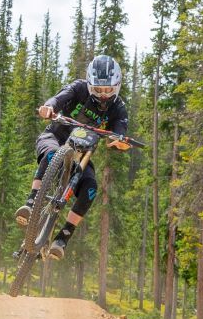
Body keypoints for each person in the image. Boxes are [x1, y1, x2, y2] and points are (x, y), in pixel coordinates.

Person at [17, 53, 130, 261]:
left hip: (83, 153)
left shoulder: (118, 107)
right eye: (98, 89)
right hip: (55, 137)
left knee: (90, 188)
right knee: (51, 155)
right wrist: (49, 108)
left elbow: (120, 131)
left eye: (108, 90)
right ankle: (32, 201)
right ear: (89, 84)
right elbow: (59, 99)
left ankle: (63, 238)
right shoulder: (78, 88)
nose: (103, 95)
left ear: (116, 87)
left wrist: (120, 142)